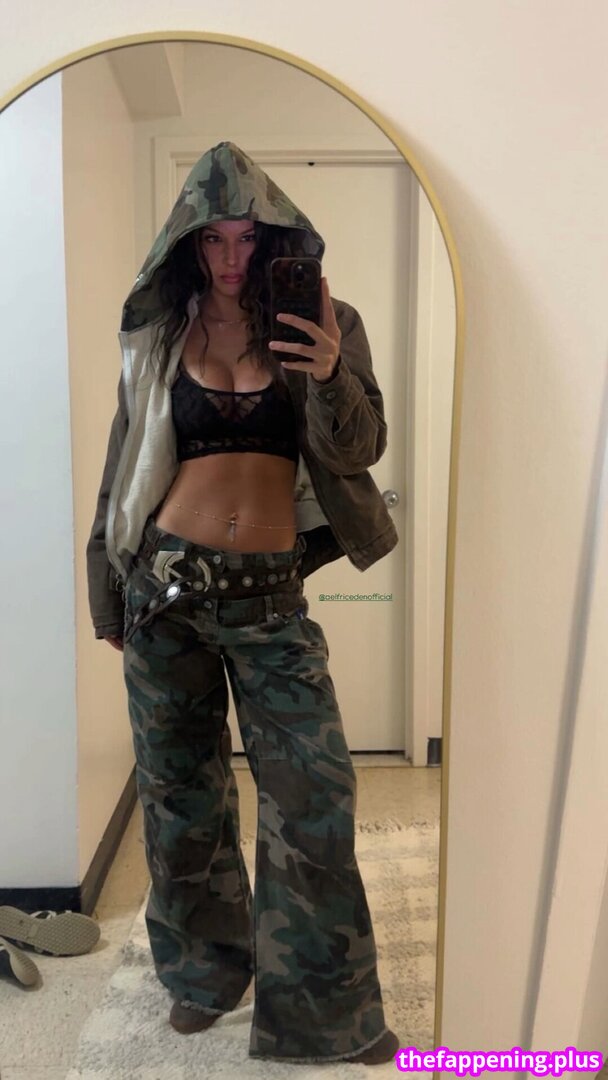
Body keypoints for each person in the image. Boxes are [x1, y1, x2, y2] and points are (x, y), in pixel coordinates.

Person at [86, 141, 399, 1065]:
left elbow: (361, 449)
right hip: (166, 594)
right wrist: (105, 591)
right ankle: (203, 978)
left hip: (271, 601)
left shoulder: (327, 321)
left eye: (249, 238)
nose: (232, 258)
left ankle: (327, 1013)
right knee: (180, 798)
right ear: (189, 242)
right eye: (214, 239)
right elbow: (123, 466)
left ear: (277, 241)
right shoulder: (160, 332)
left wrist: (330, 370)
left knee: (314, 796)